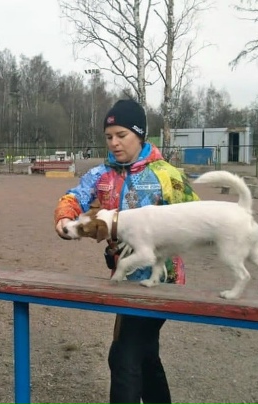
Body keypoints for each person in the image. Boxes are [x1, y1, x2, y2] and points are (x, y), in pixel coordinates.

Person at [54, 99, 199, 404]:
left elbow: (195, 215)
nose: (114, 143)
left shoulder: (166, 175)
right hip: (125, 280)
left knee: (124, 356)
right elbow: (75, 197)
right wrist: (65, 217)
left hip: (162, 280)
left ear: (140, 135)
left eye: (122, 135)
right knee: (144, 355)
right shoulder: (101, 174)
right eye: (109, 137)